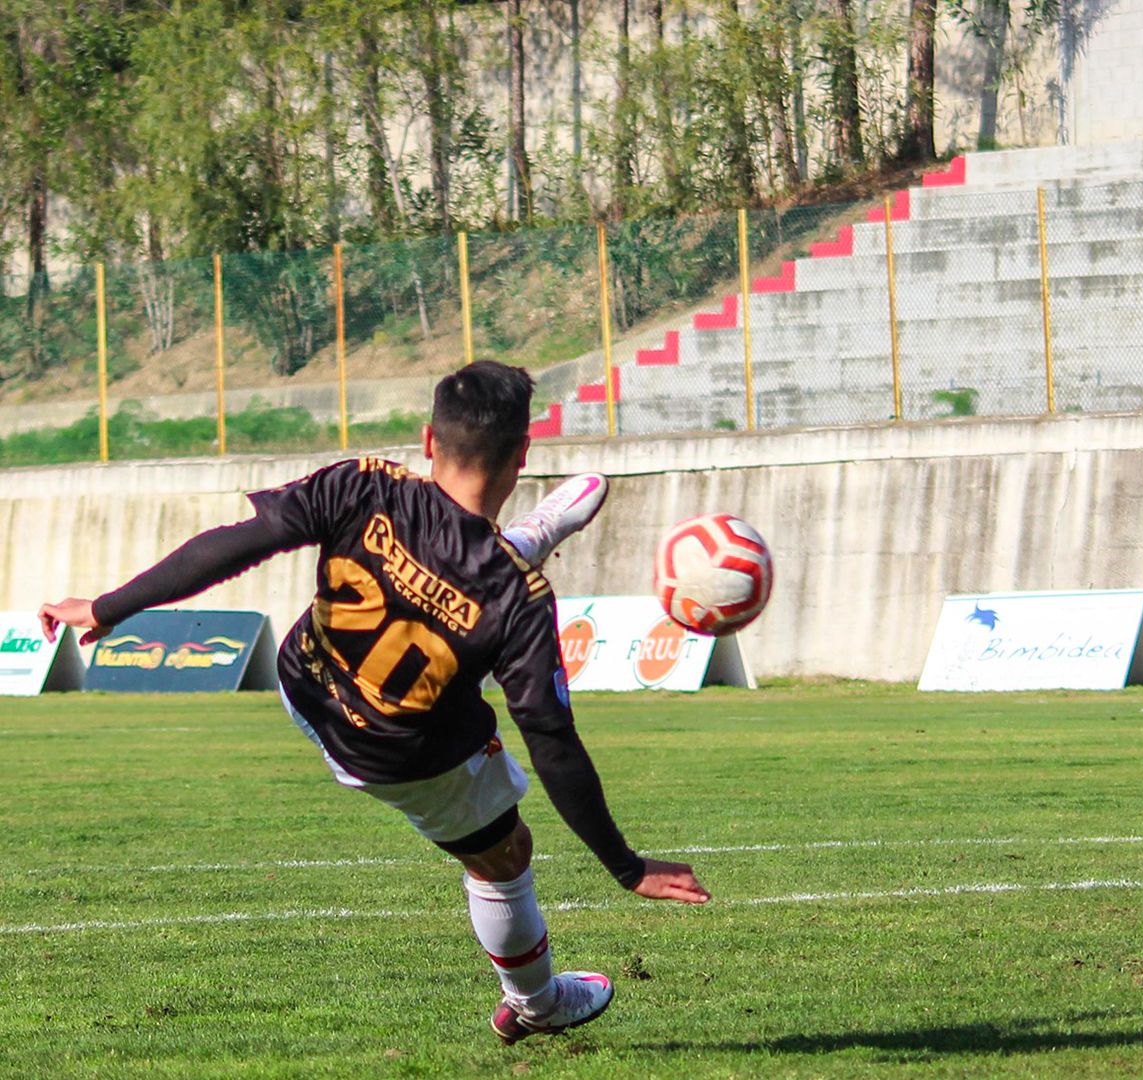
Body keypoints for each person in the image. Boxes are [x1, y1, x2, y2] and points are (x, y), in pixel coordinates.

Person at [38, 361, 711, 1043]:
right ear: (522, 458)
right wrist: (626, 868)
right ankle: (536, 1004)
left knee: (456, 612)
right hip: (401, 756)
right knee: (505, 855)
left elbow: (237, 543)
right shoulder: (521, 600)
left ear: (427, 440)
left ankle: (518, 540)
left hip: (304, 685)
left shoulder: (362, 482)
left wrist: (105, 606)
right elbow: (551, 737)